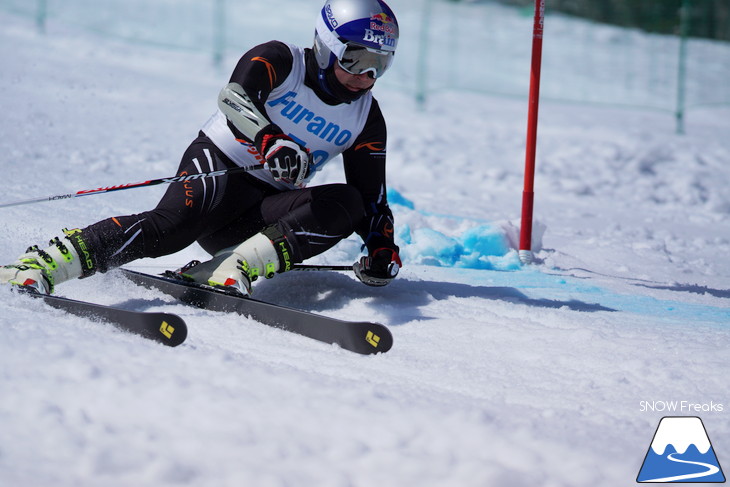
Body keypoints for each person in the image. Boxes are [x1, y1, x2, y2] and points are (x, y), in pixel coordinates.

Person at [0, 0, 402, 297]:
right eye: (356, 59)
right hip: (220, 168)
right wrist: (269, 140)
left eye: (379, 65)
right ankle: (48, 263)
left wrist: (381, 245)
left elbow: (370, 199)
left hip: (259, 217)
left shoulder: (366, 117)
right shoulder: (281, 60)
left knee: (346, 201)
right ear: (327, 45)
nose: (365, 77)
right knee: (171, 229)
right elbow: (234, 97)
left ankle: (231, 266)